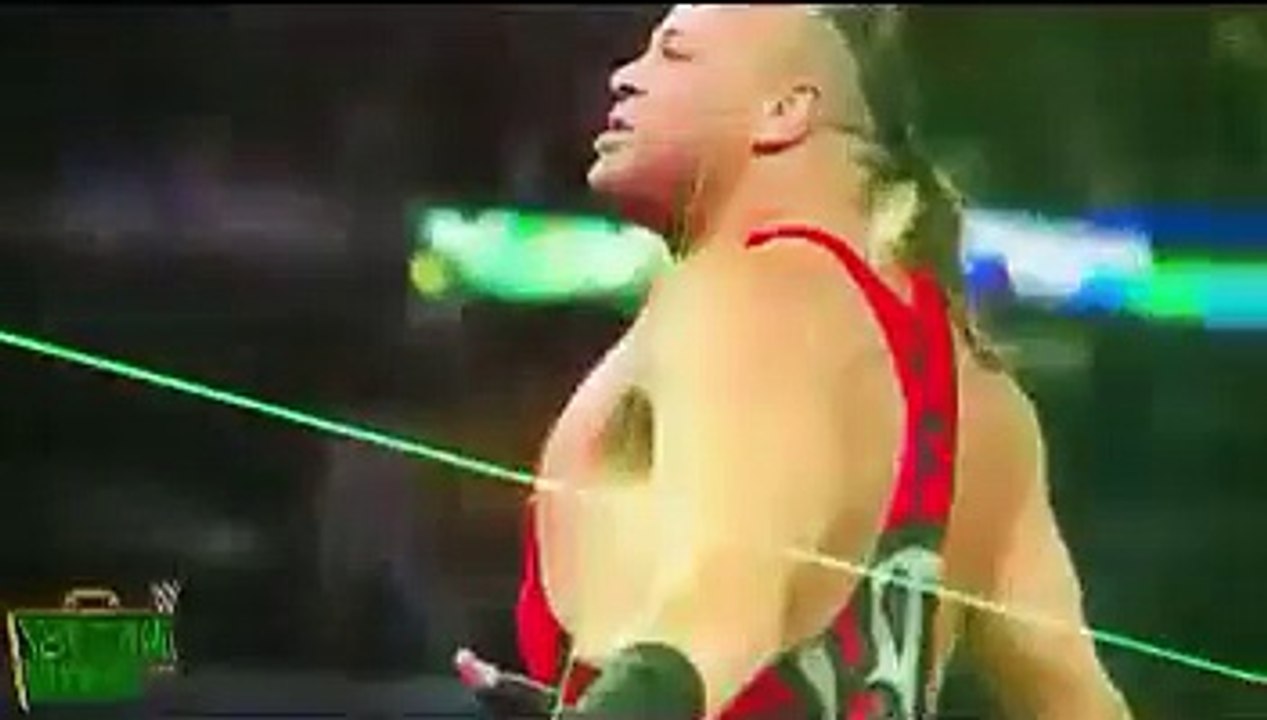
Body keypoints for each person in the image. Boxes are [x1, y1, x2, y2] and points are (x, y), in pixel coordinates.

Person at [458, 5, 1132, 719]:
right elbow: (1081, 704)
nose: (625, 76)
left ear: (784, 112)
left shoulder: (747, 293)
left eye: (674, 55)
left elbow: (724, 610)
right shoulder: (981, 397)